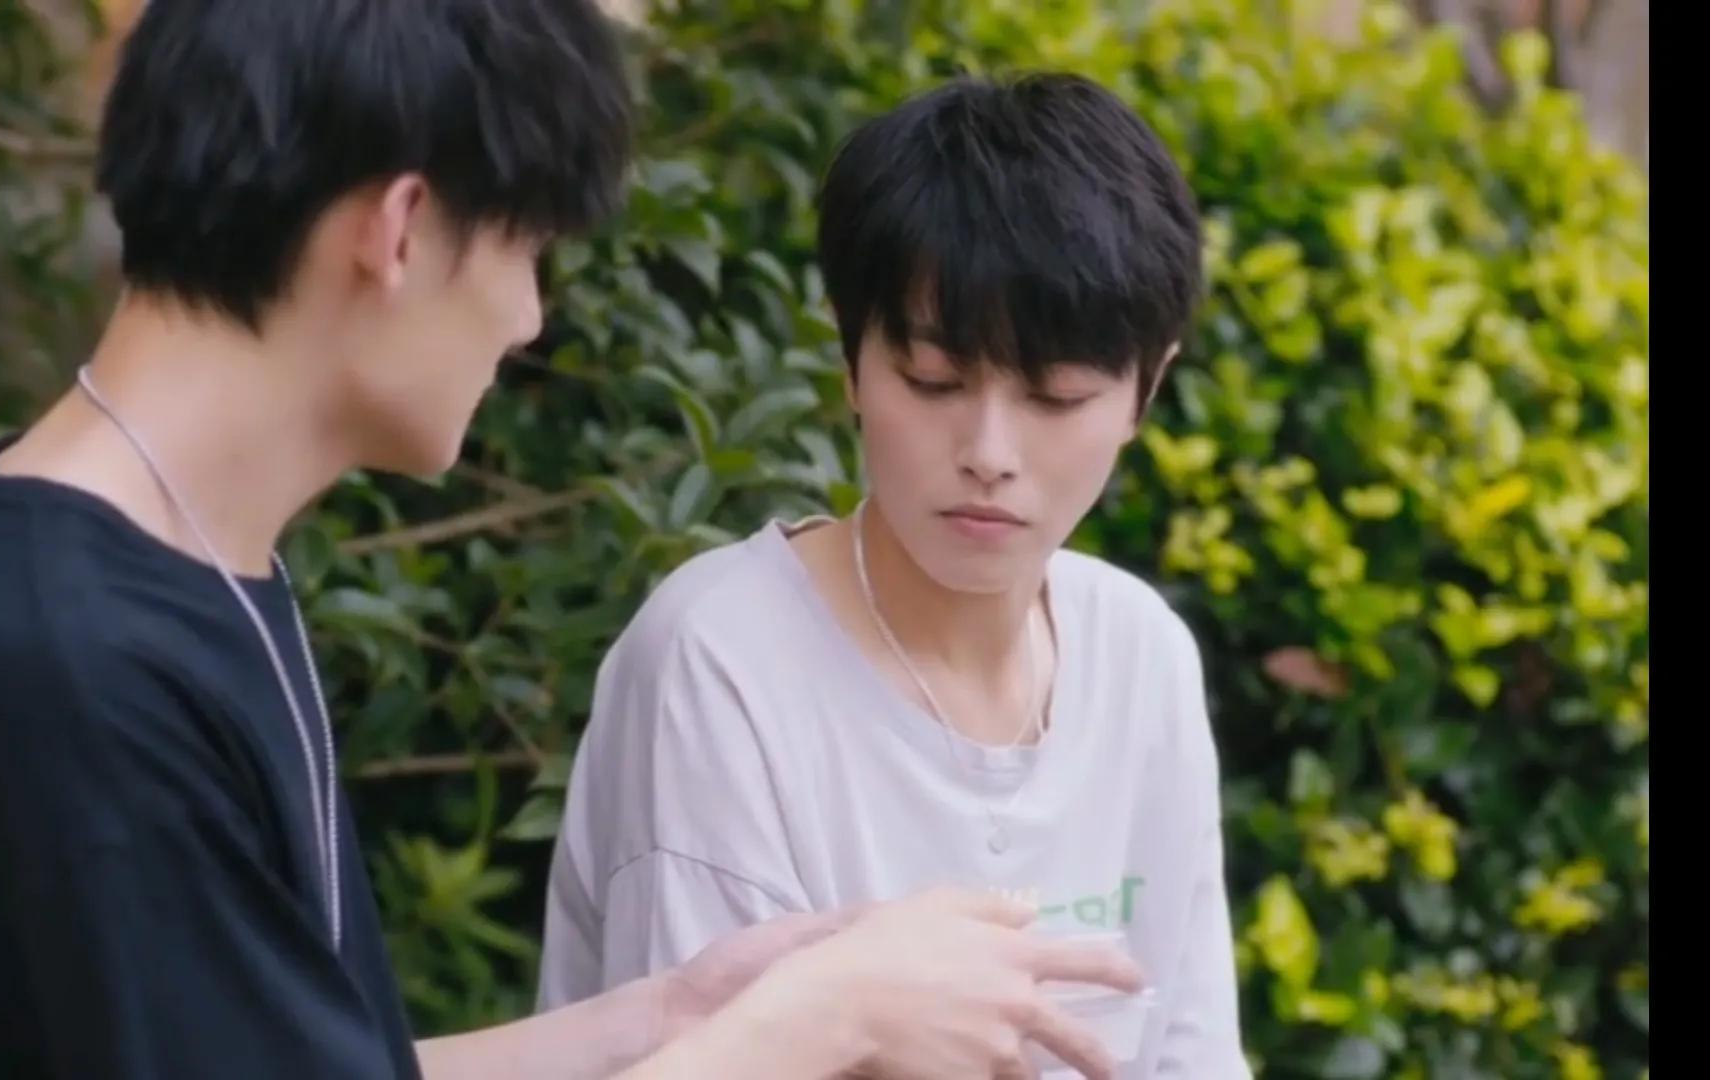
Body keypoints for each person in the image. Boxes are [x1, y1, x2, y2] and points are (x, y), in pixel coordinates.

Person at [0, 2, 1144, 1077]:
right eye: (526, 249)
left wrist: (667, 1015)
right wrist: (815, 1025)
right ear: (402, 228)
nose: (529, 317)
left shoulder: (166, 578)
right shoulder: (62, 666)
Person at [533, 72, 1251, 1077]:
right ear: (851, 356)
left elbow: (1190, 1054)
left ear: (1146, 389)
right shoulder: (722, 663)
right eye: (933, 381)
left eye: (1056, 397)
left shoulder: (1143, 657)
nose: (989, 452)